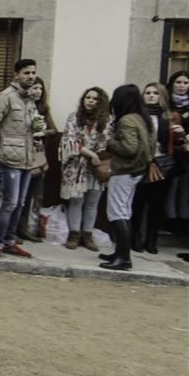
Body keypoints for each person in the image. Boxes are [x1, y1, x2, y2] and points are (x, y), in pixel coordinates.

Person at [0, 58, 38, 263]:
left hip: (27, 159)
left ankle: (9, 241)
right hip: (9, 159)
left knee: (21, 203)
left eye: (33, 73)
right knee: (10, 203)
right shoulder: (6, 96)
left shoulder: (30, 99)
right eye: (27, 73)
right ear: (17, 74)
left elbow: (28, 129)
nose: (31, 76)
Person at [98, 85, 155, 271]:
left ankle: (123, 257)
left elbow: (129, 148)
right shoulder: (142, 118)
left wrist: (110, 142)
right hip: (137, 171)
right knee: (124, 211)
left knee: (117, 212)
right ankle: (119, 253)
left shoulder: (127, 120)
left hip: (124, 171)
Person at [131, 83, 186, 254]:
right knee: (137, 203)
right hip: (141, 164)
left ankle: (151, 239)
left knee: (157, 204)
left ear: (162, 96)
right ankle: (135, 237)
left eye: (155, 93)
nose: (151, 95)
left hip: (162, 165)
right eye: (148, 92)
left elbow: (177, 146)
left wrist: (180, 136)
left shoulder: (171, 116)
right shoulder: (137, 116)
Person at [59, 87, 112, 250]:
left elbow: (107, 141)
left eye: (95, 99)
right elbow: (70, 140)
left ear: (100, 102)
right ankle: (74, 234)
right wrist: (91, 154)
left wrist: (96, 157)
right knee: (76, 201)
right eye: (87, 97)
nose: (90, 101)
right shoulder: (74, 117)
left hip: (97, 167)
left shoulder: (107, 120)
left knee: (92, 202)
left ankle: (87, 235)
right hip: (76, 166)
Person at [18, 77, 56, 243]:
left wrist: (43, 133)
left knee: (32, 196)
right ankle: (12, 230)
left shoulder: (43, 110)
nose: (37, 91)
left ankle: (24, 228)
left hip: (39, 159)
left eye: (40, 88)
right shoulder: (20, 106)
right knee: (17, 196)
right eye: (34, 88)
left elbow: (54, 130)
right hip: (21, 157)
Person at [165, 70, 189, 234]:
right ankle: (171, 218)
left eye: (185, 83)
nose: (182, 86)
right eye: (178, 82)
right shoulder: (165, 104)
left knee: (186, 186)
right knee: (171, 186)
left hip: (187, 151)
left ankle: (184, 219)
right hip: (170, 151)